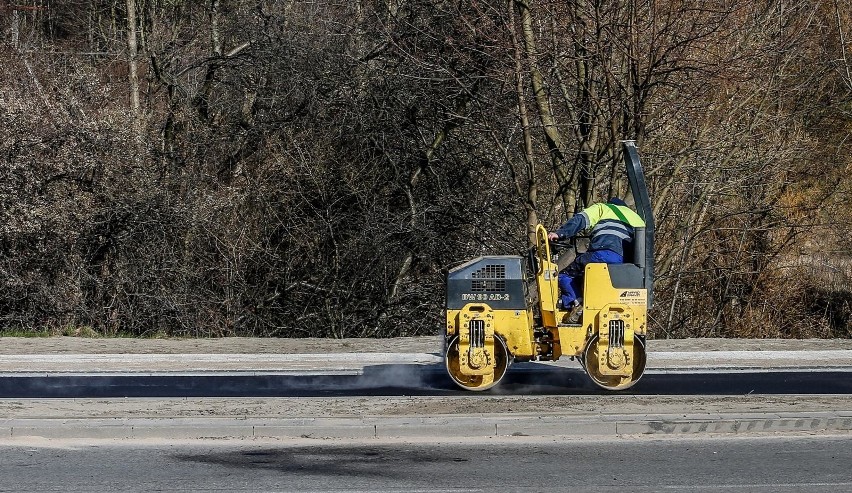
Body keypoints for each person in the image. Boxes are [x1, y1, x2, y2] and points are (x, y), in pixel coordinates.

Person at [548, 197, 646, 320]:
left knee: (565, 275)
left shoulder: (603, 208)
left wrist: (560, 233)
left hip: (601, 254)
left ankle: (576, 303)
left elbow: (580, 220)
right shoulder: (637, 218)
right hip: (625, 265)